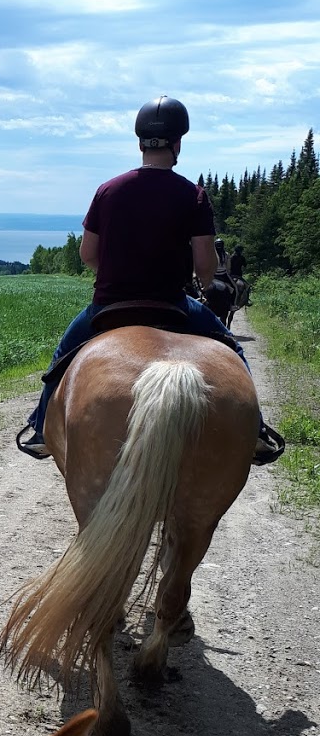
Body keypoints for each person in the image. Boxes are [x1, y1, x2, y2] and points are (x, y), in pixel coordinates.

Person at [17, 96, 283, 465]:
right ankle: (256, 430)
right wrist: (203, 284)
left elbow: (87, 255)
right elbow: (205, 263)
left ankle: (41, 429)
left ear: (140, 142)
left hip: (108, 306)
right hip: (172, 304)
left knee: (63, 355)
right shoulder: (193, 195)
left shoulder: (108, 191)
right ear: (177, 144)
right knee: (233, 352)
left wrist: (114, 277)